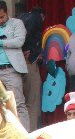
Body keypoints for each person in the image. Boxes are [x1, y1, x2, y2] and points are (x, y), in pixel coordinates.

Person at [0, 1, 30, 130]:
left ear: (7, 12)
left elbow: (19, 42)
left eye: (1, 17)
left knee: (18, 103)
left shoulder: (17, 23)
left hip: (11, 70)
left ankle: (25, 137)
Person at [17, 2, 45, 131]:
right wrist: (29, 50)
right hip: (28, 63)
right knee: (32, 102)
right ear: (42, 15)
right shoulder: (36, 17)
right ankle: (31, 133)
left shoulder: (20, 17)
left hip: (17, 65)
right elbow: (27, 32)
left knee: (19, 103)